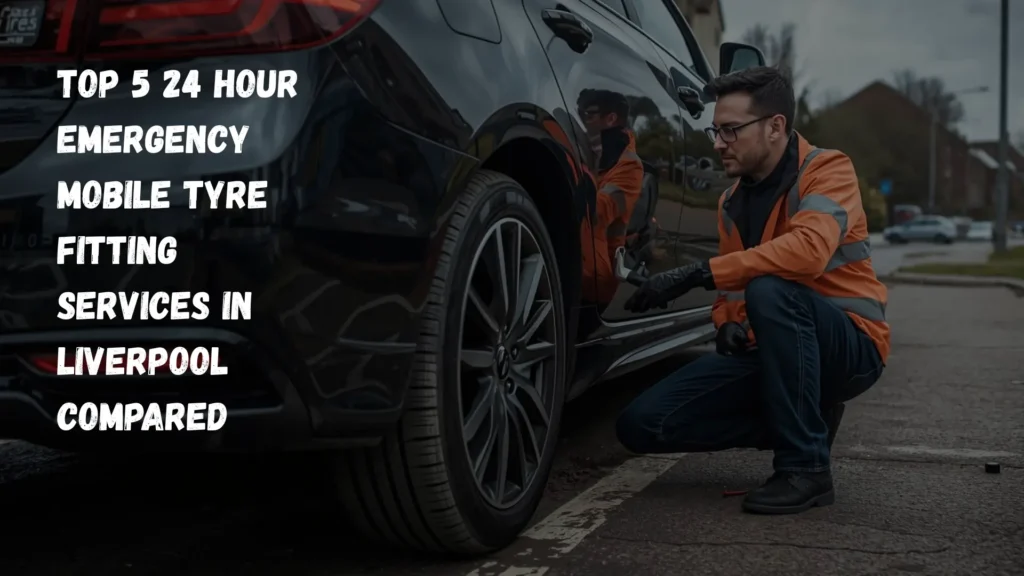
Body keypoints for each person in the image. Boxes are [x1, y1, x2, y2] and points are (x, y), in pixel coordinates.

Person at [614, 67, 890, 515]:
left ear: (775, 127)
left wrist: (697, 273)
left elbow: (807, 252)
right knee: (642, 425)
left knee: (770, 290)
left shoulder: (828, 169)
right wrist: (727, 323)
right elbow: (734, 295)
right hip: (777, 350)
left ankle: (805, 468)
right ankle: (805, 423)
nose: (718, 143)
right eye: (715, 130)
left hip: (851, 347)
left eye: (730, 130)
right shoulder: (731, 203)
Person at [576, 89, 645, 308]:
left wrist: (572, 170)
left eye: (588, 115)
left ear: (611, 118)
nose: (582, 120)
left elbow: (598, 212)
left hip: (595, 279)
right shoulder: (592, 149)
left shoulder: (629, 166)